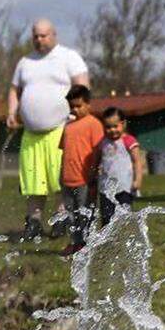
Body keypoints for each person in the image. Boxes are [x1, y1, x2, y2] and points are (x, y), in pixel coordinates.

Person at [7, 19, 90, 241]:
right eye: (35, 35)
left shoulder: (68, 57)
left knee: (58, 179)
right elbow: (15, 90)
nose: (39, 39)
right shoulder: (26, 61)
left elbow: (82, 84)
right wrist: (12, 113)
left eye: (43, 35)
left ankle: (60, 220)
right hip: (32, 133)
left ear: (54, 35)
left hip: (60, 129)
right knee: (33, 181)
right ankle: (33, 223)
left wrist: (77, 113)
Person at [58, 85, 105, 256]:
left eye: (79, 106)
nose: (75, 109)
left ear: (88, 104)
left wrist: (93, 173)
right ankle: (75, 243)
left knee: (87, 213)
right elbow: (64, 152)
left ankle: (88, 244)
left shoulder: (94, 124)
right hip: (67, 179)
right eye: (72, 107)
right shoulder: (68, 127)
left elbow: (98, 151)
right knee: (72, 214)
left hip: (85, 179)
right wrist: (61, 174)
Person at [95, 107, 143, 226]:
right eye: (108, 127)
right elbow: (98, 160)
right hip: (106, 187)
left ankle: (123, 238)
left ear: (123, 124)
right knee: (106, 216)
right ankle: (108, 241)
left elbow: (137, 161)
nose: (112, 130)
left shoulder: (129, 141)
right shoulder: (103, 142)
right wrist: (95, 171)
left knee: (123, 216)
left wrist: (138, 180)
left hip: (124, 186)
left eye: (115, 126)